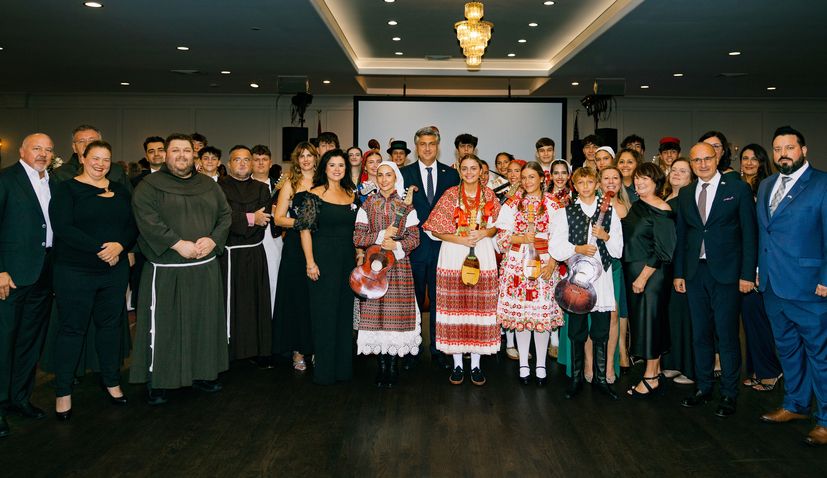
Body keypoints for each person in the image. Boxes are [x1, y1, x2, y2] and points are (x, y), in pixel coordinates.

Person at [129, 133, 232, 405]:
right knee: (165, 326)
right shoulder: (149, 186)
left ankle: (203, 373)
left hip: (204, 267)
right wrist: (177, 244)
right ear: (166, 154)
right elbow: (147, 220)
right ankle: (159, 379)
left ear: (193, 155)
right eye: (176, 151)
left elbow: (225, 215)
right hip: (168, 268)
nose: (182, 155)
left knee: (204, 322)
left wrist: (212, 239)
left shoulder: (209, 186)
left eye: (187, 151)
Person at [49, 140, 138, 420]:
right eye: (95, 158)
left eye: (106, 159)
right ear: (83, 158)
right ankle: (63, 391)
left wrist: (120, 246)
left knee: (110, 327)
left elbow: (132, 226)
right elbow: (63, 228)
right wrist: (102, 249)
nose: (101, 164)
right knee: (72, 329)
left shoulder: (121, 190)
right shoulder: (67, 189)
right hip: (75, 270)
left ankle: (111, 381)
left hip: (114, 270)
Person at [674, 142, 757, 418]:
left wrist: (747, 274)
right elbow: (683, 238)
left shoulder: (737, 189)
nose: (702, 164)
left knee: (727, 336)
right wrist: (679, 273)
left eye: (707, 159)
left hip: (728, 274)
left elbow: (749, 234)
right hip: (695, 273)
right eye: (696, 160)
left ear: (717, 158)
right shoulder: (687, 193)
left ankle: (729, 394)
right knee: (700, 334)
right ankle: (704, 387)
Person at [756, 126, 827, 446]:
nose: (783, 153)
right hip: (772, 286)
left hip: (810, 287)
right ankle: (796, 405)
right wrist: (759, 269)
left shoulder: (822, 184)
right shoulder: (768, 184)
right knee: (787, 350)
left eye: (789, 147)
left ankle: (825, 419)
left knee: (821, 355)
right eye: (777, 148)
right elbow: (765, 234)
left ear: (804, 150)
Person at [423, 154, 501, 385]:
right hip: (454, 253)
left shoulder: (489, 195)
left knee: (479, 308)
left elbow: (498, 226)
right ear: (459, 170)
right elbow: (434, 229)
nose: (469, 172)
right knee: (454, 308)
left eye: (473, 168)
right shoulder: (449, 196)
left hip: (482, 252)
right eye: (465, 168)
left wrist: (485, 232)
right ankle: (457, 365)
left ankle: (476, 366)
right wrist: (460, 240)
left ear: (481, 170)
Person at [549, 166, 623, 400]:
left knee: (601, 331)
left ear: (597, 184)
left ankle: (601, 380)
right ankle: (577, 378)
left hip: (602, 279)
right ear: (575, 186)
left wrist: (605, 236)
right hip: (578, 279)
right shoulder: (566, 212)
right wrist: (577, 248)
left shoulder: (610, 212)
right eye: (580, 183)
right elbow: (556, 247)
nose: (585, 187)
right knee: (577, 330)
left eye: (589, 182)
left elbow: (618, 251)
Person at [0, 133, 56, 436]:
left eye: (48, 150)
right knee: (3, 341)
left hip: (44, 274)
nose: (43, 154)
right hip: (11, 276)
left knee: (29, 341)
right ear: (22, 151)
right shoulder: (6, 180)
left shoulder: (54, 182)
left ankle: (20, 398)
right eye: (37, 148)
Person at [353, 161, 421, 388]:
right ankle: (381, 364)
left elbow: (414, 238)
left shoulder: (406, 206)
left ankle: (392, 366)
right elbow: (358, 238)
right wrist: (381, 235)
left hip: (398, 267)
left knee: (395, 317)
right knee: (375, 316)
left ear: (395, 177)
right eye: (380, 175)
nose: (383, 179)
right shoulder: (368, 204)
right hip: (374, 269)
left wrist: (397, 247)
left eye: (388, 175)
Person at [495, 161, 563, 386]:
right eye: (524, 177)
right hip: (517, 264)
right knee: (522, 317)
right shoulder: (512, 203)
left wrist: (553, 262)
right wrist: (521, 238)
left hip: (544, 264)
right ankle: (524, 362)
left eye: (532, 177)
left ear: (542, 179)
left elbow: (561, 237)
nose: (527, 181)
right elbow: (501, 237)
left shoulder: (553, 204)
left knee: (540, 316)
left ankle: (541, 364)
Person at [400, 126, 460, 371]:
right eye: (422, 144)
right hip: (413, 248)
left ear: (438, 146)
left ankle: (438, 349)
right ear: (416, 147)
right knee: (411, 301)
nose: (427, 148)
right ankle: (411, 349)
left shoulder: (451, 175)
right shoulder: (403, 173)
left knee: (440, 301)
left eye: (432, 144)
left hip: (442, 249)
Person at [297, 149, 358, 385]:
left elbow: (357, 230)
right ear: (324, 168)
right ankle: (324, 371)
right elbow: (304, 230)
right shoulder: (313, 194)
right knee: (324, 314)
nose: (336, 169)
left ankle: (343, 369)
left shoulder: (351, 194)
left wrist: (360, 255)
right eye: (332, 165)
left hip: (347, 261)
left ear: (346, 169)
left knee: (343, 314)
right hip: (322, 261)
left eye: (341, 165)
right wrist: (310, 262)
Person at [622, 162, 676, 397]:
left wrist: (643, 277)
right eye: (637, 178)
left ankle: (651, 377)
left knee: (650, 324)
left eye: (645, 179)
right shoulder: (636, 206)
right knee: (644, 323)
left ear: (656, 182)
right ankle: (654, 369)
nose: (639, 182)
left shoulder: (662, 210)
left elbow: (663, 251)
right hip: (634, 273)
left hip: (651, 277)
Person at [218, 146, 273, 365]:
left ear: (251, 164)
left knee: (254, 304)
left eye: (246, 160)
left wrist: (243, 219)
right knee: (228, 303)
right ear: (229, 164)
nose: (242, 163)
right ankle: (228, 353)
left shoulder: (261, 188)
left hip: (253, 252)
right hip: (228, 256)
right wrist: (251, 218)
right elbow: (222, 218)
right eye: (237, 160)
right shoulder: (218, 188)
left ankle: (255, 351)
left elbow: (264, 218)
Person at [736, 144, 782, 391]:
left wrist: (753, 267)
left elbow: (759, 232)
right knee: (750, 318)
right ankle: (755, 369)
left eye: (755, 158)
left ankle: (770, 371)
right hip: (742, 261)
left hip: (758, 263)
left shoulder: (768, 188)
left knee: (757, 318)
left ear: (763, 161)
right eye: (745, 158)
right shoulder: (738, 187)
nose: (750, 162)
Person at [272, 142, 318, 372]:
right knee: (297, 298)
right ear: (296, 160)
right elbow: (279, 218)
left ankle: (318, 347)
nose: (306, 160)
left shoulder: (325, 181)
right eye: (302, 156)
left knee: (317, 299)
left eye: (310, 155)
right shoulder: (290, 182)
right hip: (294, 248)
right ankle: (298, 350)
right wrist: (302, 223)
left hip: (321, 245)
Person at [661, 158, 696, 385]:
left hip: (682, 265)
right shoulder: (667, 198)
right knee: (671, 315)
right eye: (674, 170)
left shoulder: (689, 199)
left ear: (691, 177)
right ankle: (672, 362)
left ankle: (689, 368)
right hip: (666, 264)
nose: (676, 173)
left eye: (683, 171)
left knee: (687, 317)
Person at [251, 144, 284, 320]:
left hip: (274, 238)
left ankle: (271, 321)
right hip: (249, 239)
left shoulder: (279, 186)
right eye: (256, 159)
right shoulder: (244, 185)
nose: (260, 163)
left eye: (264, 160)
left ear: (270, 163)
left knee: (273, 280)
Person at [52, 125, 132, 193]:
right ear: (74, 148)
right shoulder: (60, 174)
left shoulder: (116, 171)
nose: (87, 144)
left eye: (92, 140)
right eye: (81, 141)